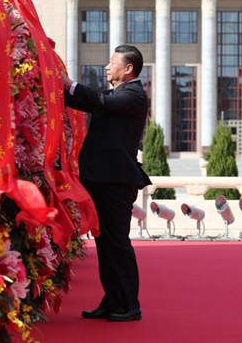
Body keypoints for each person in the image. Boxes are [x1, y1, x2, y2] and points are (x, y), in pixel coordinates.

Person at [62, 45, 151, 322]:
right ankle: (112, 300)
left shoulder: (134, 95)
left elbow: (100, 100)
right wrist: (54, 85)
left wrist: (71, 84)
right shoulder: (114, 95)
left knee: (117, 242)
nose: (107, 66)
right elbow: (86, 101)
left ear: (129, 69)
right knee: (104, 243)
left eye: (113, 62)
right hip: (101, 178)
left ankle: (129, 305)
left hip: (116, 181)